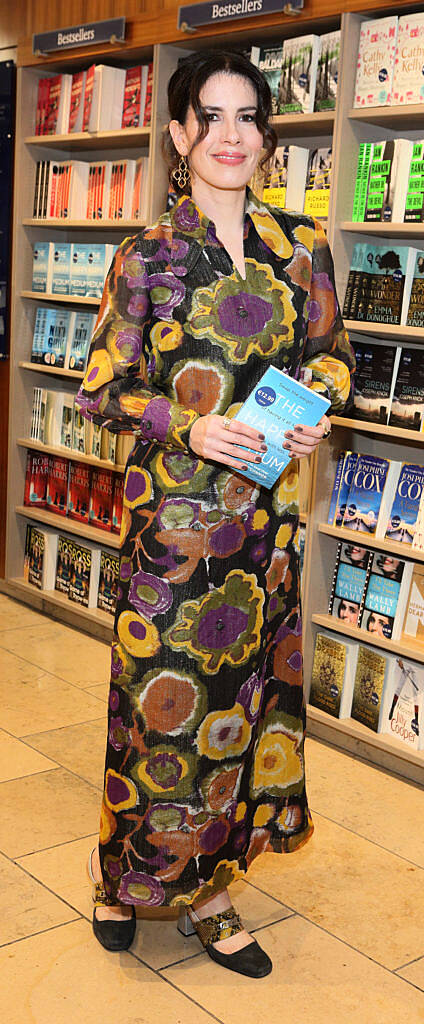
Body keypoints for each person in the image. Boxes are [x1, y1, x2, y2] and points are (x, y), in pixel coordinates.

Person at [76, 49, 355, 978]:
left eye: (249, 117)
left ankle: (216, 888)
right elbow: (103, 390)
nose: (232, 135)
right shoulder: (146, 256)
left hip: (268, 539)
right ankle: (122, 875)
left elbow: (335, 358)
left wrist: (314, 411)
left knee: (241, 713)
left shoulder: (301, 244)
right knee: (158, 721)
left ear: (267, 136)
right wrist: (189, 430)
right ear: (180, 134)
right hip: (175, 541)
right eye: (213, 116)